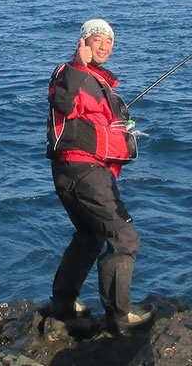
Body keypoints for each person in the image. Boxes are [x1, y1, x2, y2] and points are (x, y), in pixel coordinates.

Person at [46, 18, 153, 331]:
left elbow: (94, 120)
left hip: (75, 170)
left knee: (90, 236)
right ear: (83, 42)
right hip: (84, 169)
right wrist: (79, 66)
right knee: (123, 238)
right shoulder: (70, 71)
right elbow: (63, 102)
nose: (105, 45)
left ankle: (63, 305)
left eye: (109, 40)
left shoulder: (97, 80)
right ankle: (119, 317)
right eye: (97, 39)